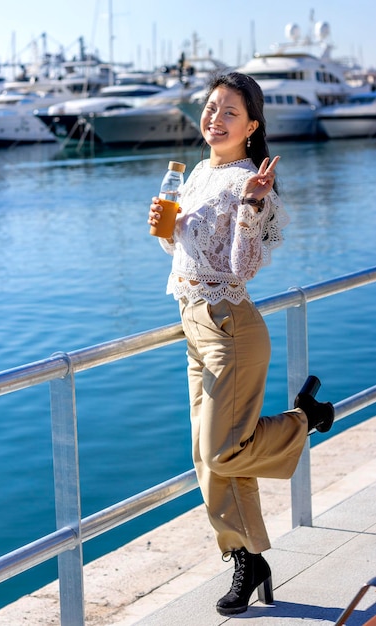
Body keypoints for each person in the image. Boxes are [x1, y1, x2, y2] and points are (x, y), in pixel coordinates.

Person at [148, 71, 334, 616]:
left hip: (231, 328)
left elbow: (240, 268)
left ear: (252, 126)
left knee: (221, 450)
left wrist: (253, 207)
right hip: (194, 326)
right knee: (209, 461)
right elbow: (184, 258)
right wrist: (166, 231)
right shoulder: (200, 172)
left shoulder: (249, 181)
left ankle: (304, 418)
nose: (215, 117)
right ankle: (248, 559)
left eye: (230, 111)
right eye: (210, 107)